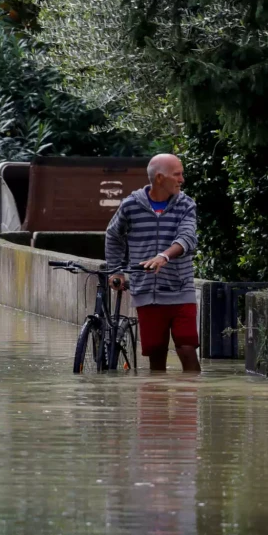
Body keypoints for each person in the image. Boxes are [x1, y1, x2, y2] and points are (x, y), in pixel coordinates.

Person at [106, 153, 201, 372]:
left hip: (180, 288)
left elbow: (188, 237)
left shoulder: (185, 204)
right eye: (177, 174)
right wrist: (116, 271)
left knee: (187, 348)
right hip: (146, 291)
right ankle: (155, 402)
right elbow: (113, 235)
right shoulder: (130, 206)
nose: (181, 180)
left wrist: (164, 256)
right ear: (160, 178)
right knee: (156, 354)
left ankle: (191, 402)